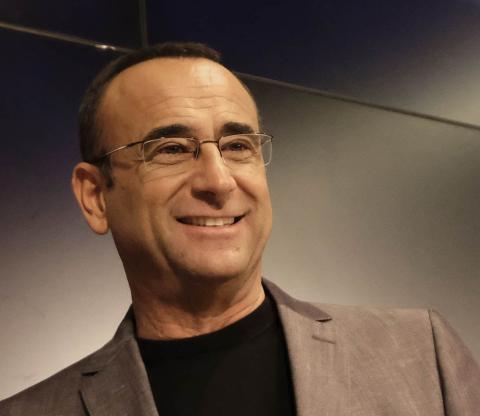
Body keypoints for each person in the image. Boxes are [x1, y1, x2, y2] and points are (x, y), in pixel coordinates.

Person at [1, 42, 479, 415]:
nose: (218, 181)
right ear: (95, 196)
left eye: (237, 146)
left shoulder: (420, 352)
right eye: (171, 149)